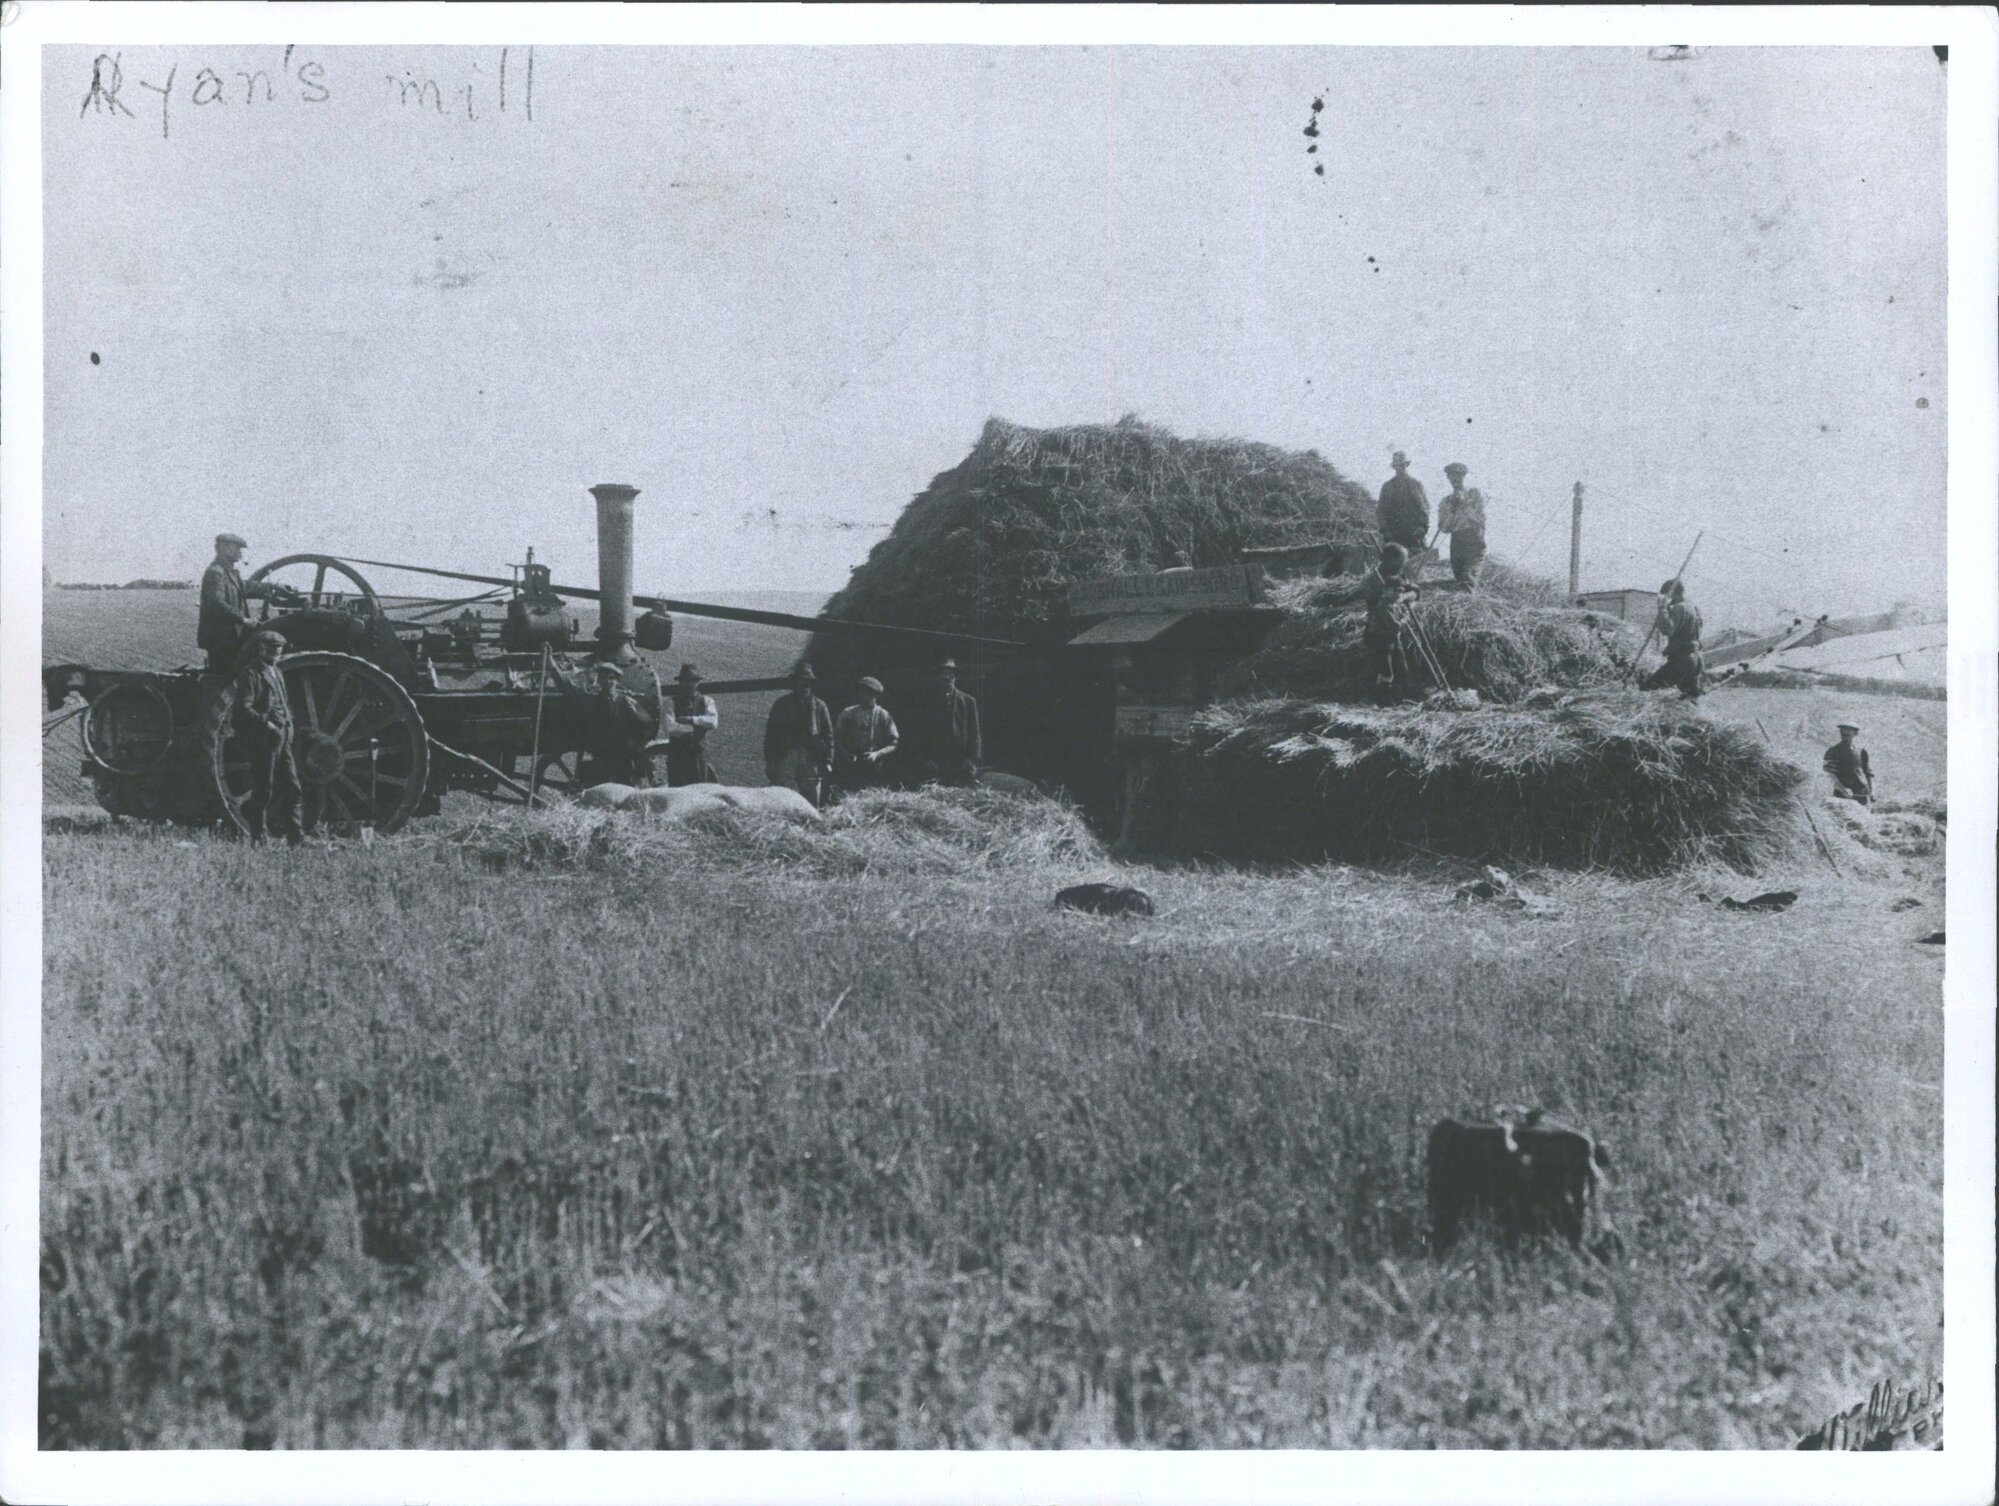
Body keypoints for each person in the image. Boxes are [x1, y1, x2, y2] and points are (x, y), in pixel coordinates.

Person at [232, 630, 303, 844]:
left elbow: (284, 701)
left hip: (282, 737)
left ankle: (296, 837)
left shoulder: (277, 672)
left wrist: (288, 725)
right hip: (264, 739)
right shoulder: (251, 674)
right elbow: (244, 707)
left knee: (293, 787)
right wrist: (267, 723)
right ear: (262, 649)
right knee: (263, 790)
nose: (276, 654)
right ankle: (259, 837)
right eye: (272, 650)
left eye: (279, 650)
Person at [199, 532, 288, 671]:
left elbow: (246, 587)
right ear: (222, 547)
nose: (240, 552)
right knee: (223, 676)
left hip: (231, 636)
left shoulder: (229, 571)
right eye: (236, 548)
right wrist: (243, 619)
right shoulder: (215, 572)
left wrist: (273, 587)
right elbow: (216, 603)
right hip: (222, 638)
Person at [763, 663, 834, 806]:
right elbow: (771, 734)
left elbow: (828, 735)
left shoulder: (819, 706)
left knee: (811, 799)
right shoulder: (782, 704)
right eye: (801, 682)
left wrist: (828, 760)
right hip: (787, 755)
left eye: (807, 683)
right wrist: (770, 760)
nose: (804, 686)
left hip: (811, 757)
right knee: (783, 796)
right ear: (794, 683)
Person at [909, 658, 983, 787]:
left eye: (951, 674)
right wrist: (925, 759)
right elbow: (920, 732)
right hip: (935, 762)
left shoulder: (968, 701)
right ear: (938, 677)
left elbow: (974, 732)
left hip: (961, 761)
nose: (947, 677)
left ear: (956, 677)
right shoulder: (927, 701)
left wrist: (972, 760)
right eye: (944, 674)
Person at [1361, 543, 1421, 703]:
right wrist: (1402, 601)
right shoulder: (1373, 579)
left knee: (1401, 667)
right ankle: (1380, 700)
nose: (1405, 562)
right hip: (1380, 631)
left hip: (1393, 632)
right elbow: (1382, 603)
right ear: (1391, 559)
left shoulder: (1400, 575)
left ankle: (1399, 699)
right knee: (1384, 669)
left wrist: (1405, 596)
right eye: (1402, 559)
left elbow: (1415, 591)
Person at [1641, 578, 1705, 700]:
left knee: (1648, 689)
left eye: (1667, 595)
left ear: (1672, 593)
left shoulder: (1679, 608)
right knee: (1689, 698)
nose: (1668, 598)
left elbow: (1667, 629)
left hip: (1682, 660)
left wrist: (1662, 608)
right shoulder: (1693, 607)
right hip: (1696, 659)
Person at [834, 676, 900, 791]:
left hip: (874, 764)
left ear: (876, 695)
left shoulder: (883, 715)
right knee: (849, 793)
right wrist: (845, 753)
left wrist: (877, 754)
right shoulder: (847, 713)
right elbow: (836, 738)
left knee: (872, 794)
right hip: (851, 762)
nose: (865, 696)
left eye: (870, 694)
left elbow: (894, 743)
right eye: (862, 692)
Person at [662, 664, 720, 786]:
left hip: (698, 755)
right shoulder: (670, 702)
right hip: (677, 756)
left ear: (697, 683)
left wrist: (690, 719)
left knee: (699, 791)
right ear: (680, 683)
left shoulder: (707, 701)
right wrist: (697, 728)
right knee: (677, 791)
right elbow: (670, 728)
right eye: (685, 680)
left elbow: (713, 722)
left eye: (692, 681)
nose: (689, 684)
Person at [1435, 462, 1488, 589]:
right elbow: (1444, 528)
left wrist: (1464, 503)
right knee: (1459, 579)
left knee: (1468, 578)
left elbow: (1480, 518)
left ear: (1464, 476)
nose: (1455, 479)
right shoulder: (1446, 501)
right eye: (1451, 477)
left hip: (1473, 540)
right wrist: (1451, 509)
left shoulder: (1475, 494)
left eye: (1458, 476)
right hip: (1456, 542)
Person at [1377, 451, 1430, 556]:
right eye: (1397, 465)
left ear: (1406, 465)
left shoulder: (1415, 484)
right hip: (1393, 533)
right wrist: (1385, 529)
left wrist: (1422, 526)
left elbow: (1424, 507)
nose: (1399, 468)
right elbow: (1380, 510)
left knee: (1415, 563)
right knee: (1394, 564)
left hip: (1413, 532)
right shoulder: (1387, 486)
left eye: (1402, 465)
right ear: (1394, 467)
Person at [1823, 721, 1874, 805]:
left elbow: (1868, 774)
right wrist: (1843, 789)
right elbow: (1830, 775)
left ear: (1856, 733)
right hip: (1842, 796)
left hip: (1862, 793)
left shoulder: (1861, 751)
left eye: (1848, 730)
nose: (1844, 732)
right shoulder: (1833, 751)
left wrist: (1872, 791)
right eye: (1843, 730)